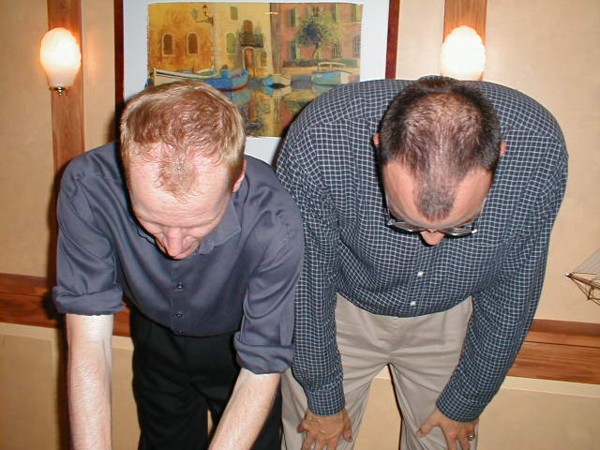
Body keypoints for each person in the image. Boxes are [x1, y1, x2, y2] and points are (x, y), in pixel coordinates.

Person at [276, 77, 567, 450]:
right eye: (407, 221)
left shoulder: (538, 149)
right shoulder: (325, 132)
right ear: (379, 147)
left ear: (500, 155)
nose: (431, 239)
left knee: (447, 440)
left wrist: (469, 397)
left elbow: (514, 287)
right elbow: (305, 279)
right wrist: (322, 393)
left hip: (449, 317)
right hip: (338, 310)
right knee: (315, 441)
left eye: (460, 225)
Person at [52, 80, 304, 450]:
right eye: (152, 222)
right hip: (155, 333)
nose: (173, 247)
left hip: (239, 338)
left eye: (195, 225)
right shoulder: (89, 185)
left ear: (236, 181)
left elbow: (261, 367)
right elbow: (89, 337)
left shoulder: (275, 222)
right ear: (125, 172)